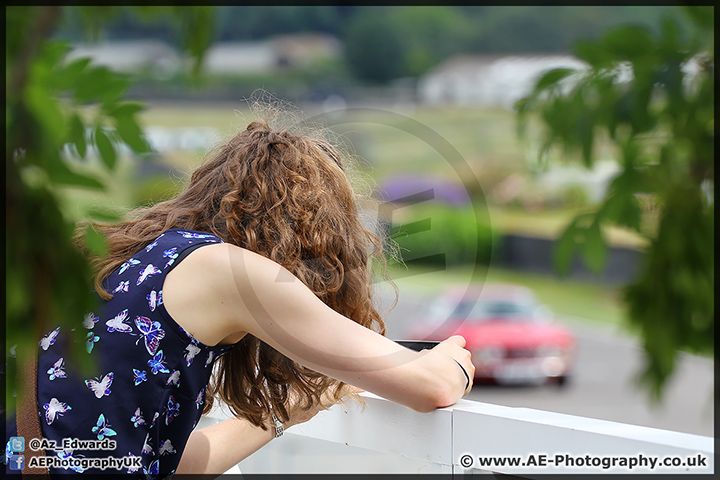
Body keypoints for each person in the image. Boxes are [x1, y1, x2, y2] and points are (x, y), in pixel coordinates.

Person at [7, 117, 474, 477]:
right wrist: (453, 358)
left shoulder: (126, 262)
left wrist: (291, 407)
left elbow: (156, 458)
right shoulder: (228, 271)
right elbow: (430, 387)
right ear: (308, 239)